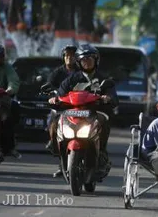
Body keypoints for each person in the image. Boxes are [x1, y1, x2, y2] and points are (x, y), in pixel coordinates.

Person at [48, 44, 118, 171]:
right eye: (83, 60)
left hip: (96, 112)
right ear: (79, 62)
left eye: (90, 59)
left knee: (104, 122)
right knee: (56, 122)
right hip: (73, 112)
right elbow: (61, 93)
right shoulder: (72, 78)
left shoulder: (103, 78)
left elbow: (112, 95)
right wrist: (55, 99)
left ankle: (101, 152)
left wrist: (108, 97)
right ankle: (60, 151)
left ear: (96, 60)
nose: (87, 62)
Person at [45, 45, 78, 178]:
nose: (70, 58)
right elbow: (49, 87)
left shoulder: (82, 72)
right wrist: (52, 97)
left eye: (72, 56)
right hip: (62, 108)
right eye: (67, 56)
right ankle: (61, 161)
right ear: (63, 58)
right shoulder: (57, 73)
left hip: (79, 108)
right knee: (54, 129)